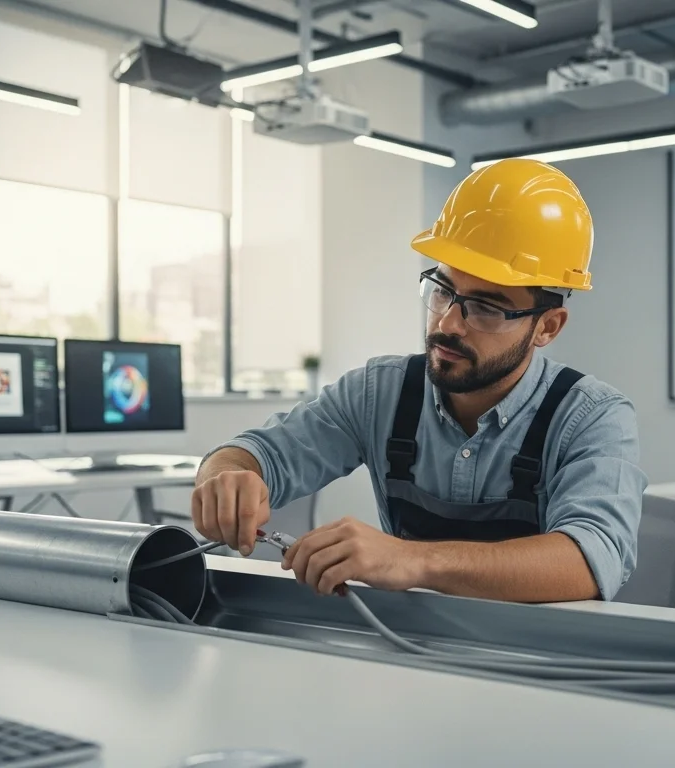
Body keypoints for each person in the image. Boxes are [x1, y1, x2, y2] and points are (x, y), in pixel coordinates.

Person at [191, 158, 646, 602]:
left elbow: (590, 559)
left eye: (485, 308)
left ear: (546, 327)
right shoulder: (379, 393)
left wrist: (412, 560)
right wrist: (228, 477)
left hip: (535, 647)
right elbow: (257, 454)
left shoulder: (592, 417)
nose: (448, 323)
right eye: (443, 291)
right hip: (408, 639)